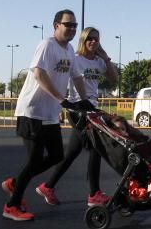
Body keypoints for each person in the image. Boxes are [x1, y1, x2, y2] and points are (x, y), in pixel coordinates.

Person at [1, 9, 89, 221]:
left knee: (57, 155)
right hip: (32, 111)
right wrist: (61, 99)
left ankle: (15, 182)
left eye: (75, 25)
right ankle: (11, 207)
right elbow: (38, 73)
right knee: (34, 160)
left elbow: (77, 77)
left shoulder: (69, 50)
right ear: (56, 25)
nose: (72, 29)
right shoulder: (47, 45)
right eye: (68, 24)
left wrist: (85, 101)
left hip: (50, 114)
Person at [34, 27, 119, 207]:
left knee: (72, 152)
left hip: (92, 108)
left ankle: (48, 186)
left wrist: (106, 58)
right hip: (78, 108)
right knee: (96, 148)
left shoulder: (98, 61)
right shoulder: (76, 59)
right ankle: (94, 194)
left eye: (96, 39)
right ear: (83, 40)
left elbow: (114, 79)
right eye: (90, 39)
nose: (93, 42)